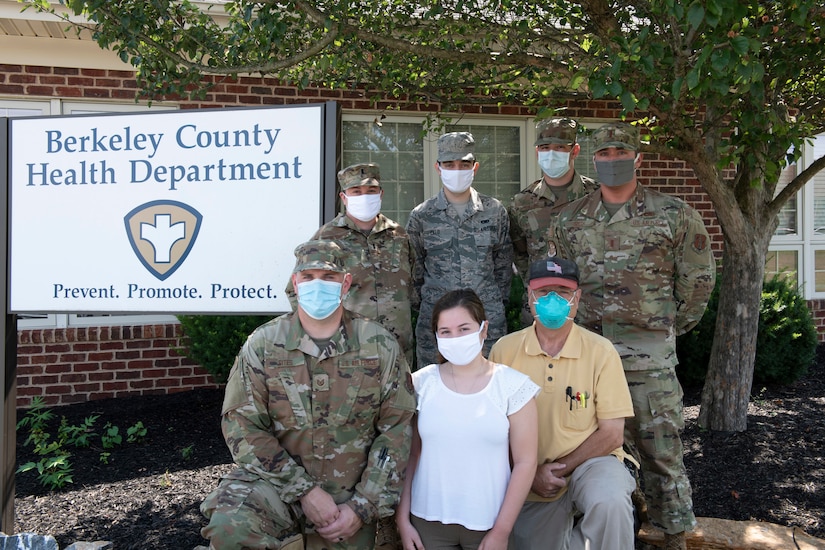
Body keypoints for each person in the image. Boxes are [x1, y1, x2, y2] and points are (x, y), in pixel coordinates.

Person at [550, 122, 717, 550]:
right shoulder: (569, 220)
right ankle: (617, 523)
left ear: (638, 159)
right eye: (604, 154)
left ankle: (675, 536)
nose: (611, 161)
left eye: (620, 154)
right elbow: (560, 285)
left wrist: (664, 329)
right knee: (593, 449)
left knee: (661, 451)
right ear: (594, 159)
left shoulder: (674, 214)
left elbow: (698, 281)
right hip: (588, 361)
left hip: (649, 361)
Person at [201, 239, 417, 550]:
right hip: (280, 490)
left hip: (353, 494)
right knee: (230, 525)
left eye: (328, 277)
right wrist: (304, 491)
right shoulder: (263, 345)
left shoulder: (379, 345)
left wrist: (363, 506)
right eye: (308, 277)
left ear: (345, 285)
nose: (318, 285)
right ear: (296, 283)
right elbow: (242, 427)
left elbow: (396, 430)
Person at [489, 257, 637, 550]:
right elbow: (493, 431)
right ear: (529, 297)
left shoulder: (601, 352)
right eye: (544, 293)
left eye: (563, 292)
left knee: (611, 502)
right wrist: (530, 474)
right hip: (527, 478)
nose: (553, 300)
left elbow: (611, 434)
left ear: (577, 298)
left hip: (589, 465)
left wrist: (560, 468)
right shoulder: (504, 351)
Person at [396, 288, 539, 550]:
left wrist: (501, 532)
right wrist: (402, 520)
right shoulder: (420, 383)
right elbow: (412, 456)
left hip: (489, 526)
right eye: (446, 332)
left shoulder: (513, 386)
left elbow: (526, 462)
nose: (456, 338)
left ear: (483, 330)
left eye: (464, 329)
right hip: (427, 524)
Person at [285, 162, 415, 365]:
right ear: (344, 197)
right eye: (356, 191)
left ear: (380, 194)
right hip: (349, 351)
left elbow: (415, 284)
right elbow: (297, 292)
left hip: (398, 348)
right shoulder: (326, 237)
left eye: (371, 190)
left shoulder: (398, 235)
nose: (364, 196)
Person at [406, 131, 514, 370]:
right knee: (435, 389)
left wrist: (491, 301)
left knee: (490, 385)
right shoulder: (422, 215)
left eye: (464, 164)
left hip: (486, 320)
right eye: (449, 164)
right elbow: (413, 270)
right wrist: (428, 302)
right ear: (438, 167)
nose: (456, 170)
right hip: (436, 322)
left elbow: (503, 267)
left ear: (474, 167)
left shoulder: (494, 211)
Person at [509, 117, 599, 282]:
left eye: (560, 147)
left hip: (588, 301)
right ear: (537, 152)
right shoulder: (522, 202)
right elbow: (520, 253)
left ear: (575, 151)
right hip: (540, 300)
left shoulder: (598, 196)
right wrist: (532, 283)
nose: (551, 154)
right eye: (545, 147)